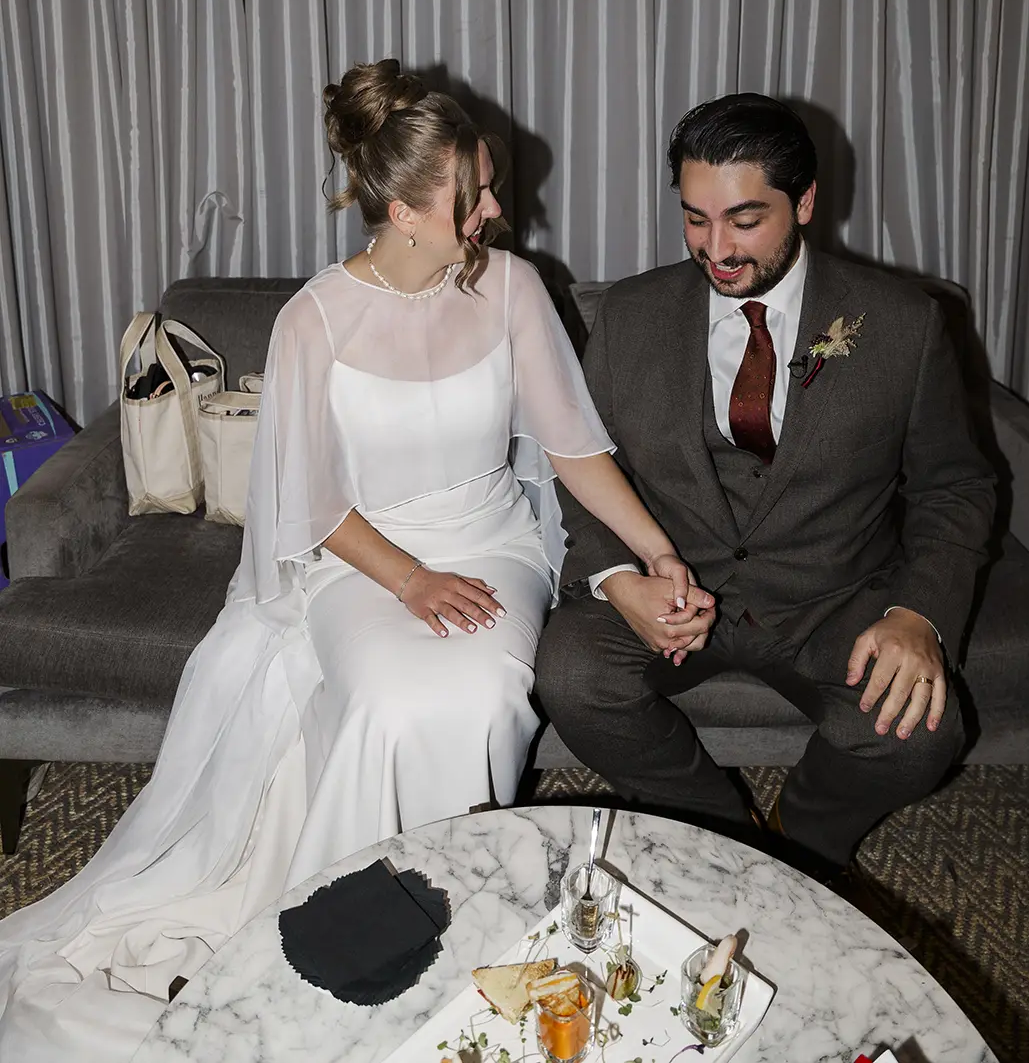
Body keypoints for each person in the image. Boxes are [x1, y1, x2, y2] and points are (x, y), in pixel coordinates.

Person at [0, 60, 700, 1063]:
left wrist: (659, 552)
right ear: (408, 209)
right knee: (382, 697)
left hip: (489, 538)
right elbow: (309, 499)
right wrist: (408, 580)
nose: (499, 208)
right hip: (359, 559)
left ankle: (454, 919)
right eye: (477, 194)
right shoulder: (314, 320)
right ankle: (355, 939)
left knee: (481, 690)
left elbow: (575, 450)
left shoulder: (512, 288)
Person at [535, 92, 996, 880]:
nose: (715, 249)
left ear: (806, 201)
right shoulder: (629, 315)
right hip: (676, 586)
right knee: (570, 676)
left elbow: (957, 486)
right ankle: (720, 831)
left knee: (925, 730)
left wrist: (919, 613)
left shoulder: (901, 324)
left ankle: (801, 838)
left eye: (745, 220)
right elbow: (583, 465)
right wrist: (617, 579)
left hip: (832, 596)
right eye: (694, 219)